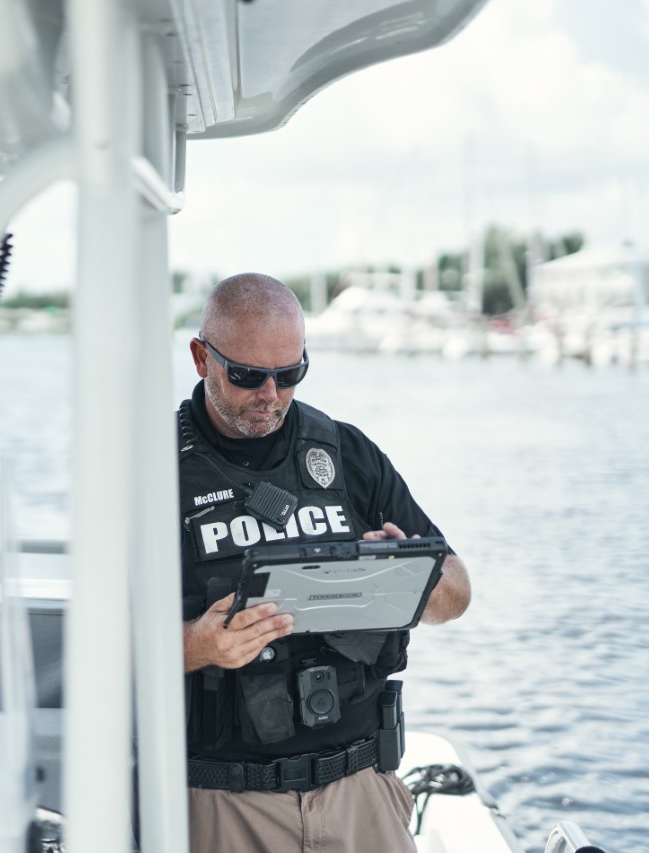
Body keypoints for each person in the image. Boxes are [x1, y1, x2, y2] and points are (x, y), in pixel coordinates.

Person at [179, 273, 471, 852]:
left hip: (361, 793)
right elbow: (99, 650)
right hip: (226, 805)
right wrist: (197, 646)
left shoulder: (347, 453)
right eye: (247, 376)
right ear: (201, 358)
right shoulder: (152, 471)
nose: (271, 394)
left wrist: (405, 572)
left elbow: (457, 593)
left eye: (290, 375)